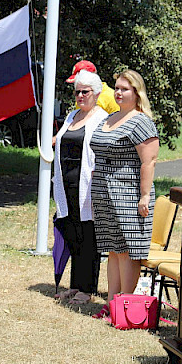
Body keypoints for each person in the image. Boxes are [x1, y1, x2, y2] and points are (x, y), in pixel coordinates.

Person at [89, 69, 159, 321]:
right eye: (117, 88)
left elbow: (148, 161)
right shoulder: (109, 118)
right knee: (114, 248)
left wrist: (144, 196)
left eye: (124, 89)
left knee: (130, 249)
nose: (118, 92)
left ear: (137, 93)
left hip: (129, 192)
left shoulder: (141, 121)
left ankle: (125, 306)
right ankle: (111, 303)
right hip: (104, 191)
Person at [51, 70, 109, 305]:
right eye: (77, 92)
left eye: (85, 91)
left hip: (88, 185)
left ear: (96, 93)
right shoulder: (71, 116)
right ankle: (75, 285)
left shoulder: (102, 118)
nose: (80, 95)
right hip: (66, 184)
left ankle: (87, 288)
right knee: (72, 231)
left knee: (88, 236)